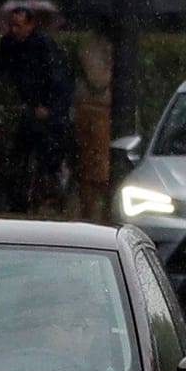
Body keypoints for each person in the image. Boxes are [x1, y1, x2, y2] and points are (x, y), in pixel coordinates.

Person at [0, 6, 74, 213]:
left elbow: (56, 78)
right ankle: (15, 193)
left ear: (30, 25)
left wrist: (48, 106)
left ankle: (49, 184)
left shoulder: (43, 45)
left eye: (19, 26)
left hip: (47, 104)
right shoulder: (8, 44)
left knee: (45, 141)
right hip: (26, 103)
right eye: (12, 25)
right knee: (15, 147)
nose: (14, 30)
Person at [73, 20, 116, 221]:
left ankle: (105, 213)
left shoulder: (111, 45)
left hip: (108, 111)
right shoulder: (91, 47)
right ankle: (90, 216)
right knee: (94, 170)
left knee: (106, 169)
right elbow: (98, 80)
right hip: (95, 111)